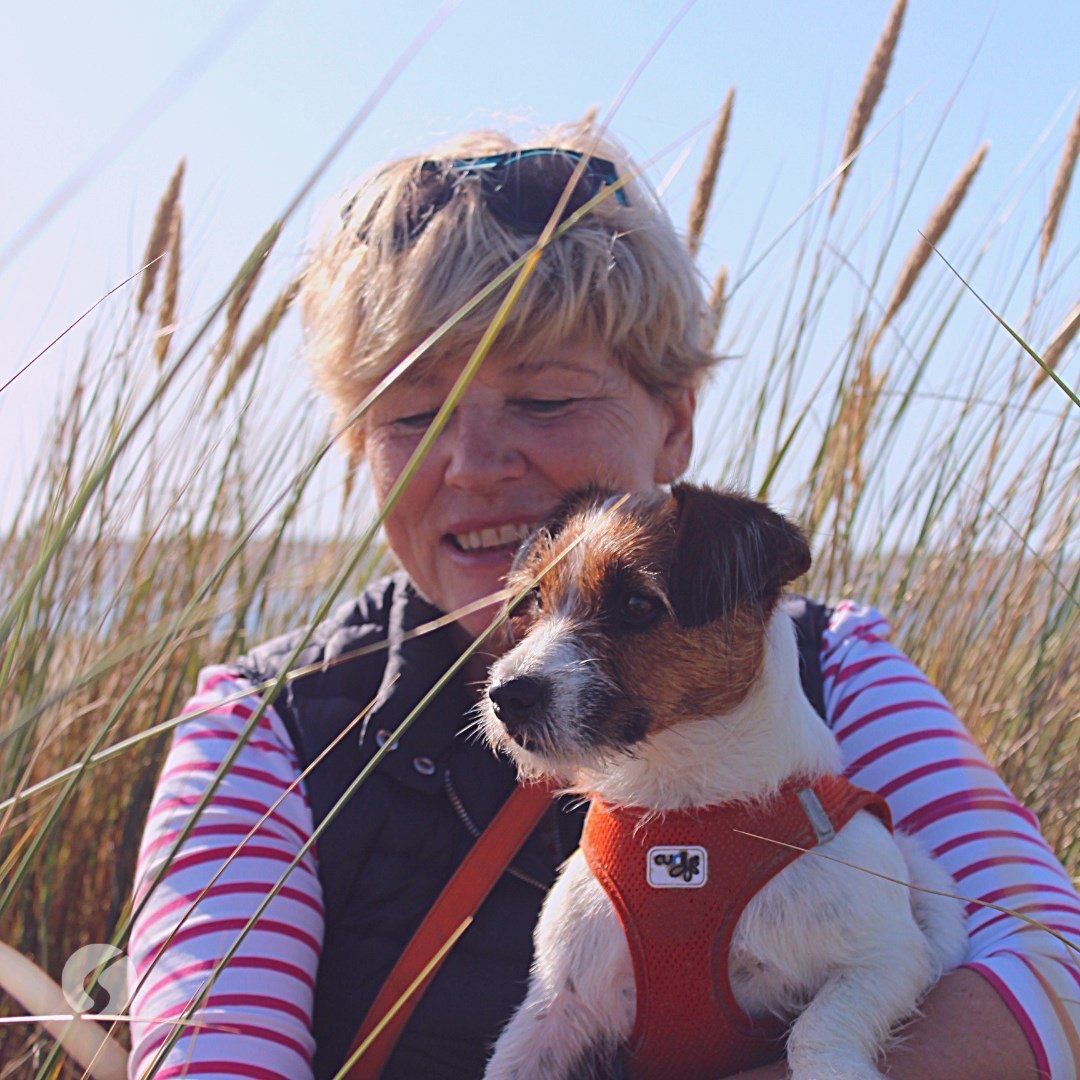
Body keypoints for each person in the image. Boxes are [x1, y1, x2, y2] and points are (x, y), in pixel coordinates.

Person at [128, 125, 1078, 1079]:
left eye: (543, 400)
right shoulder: (266, 727)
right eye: (412, 415)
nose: (472, 463)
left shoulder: (839, 668)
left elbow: (1054, 974)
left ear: (674, 426)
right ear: (357, 450)